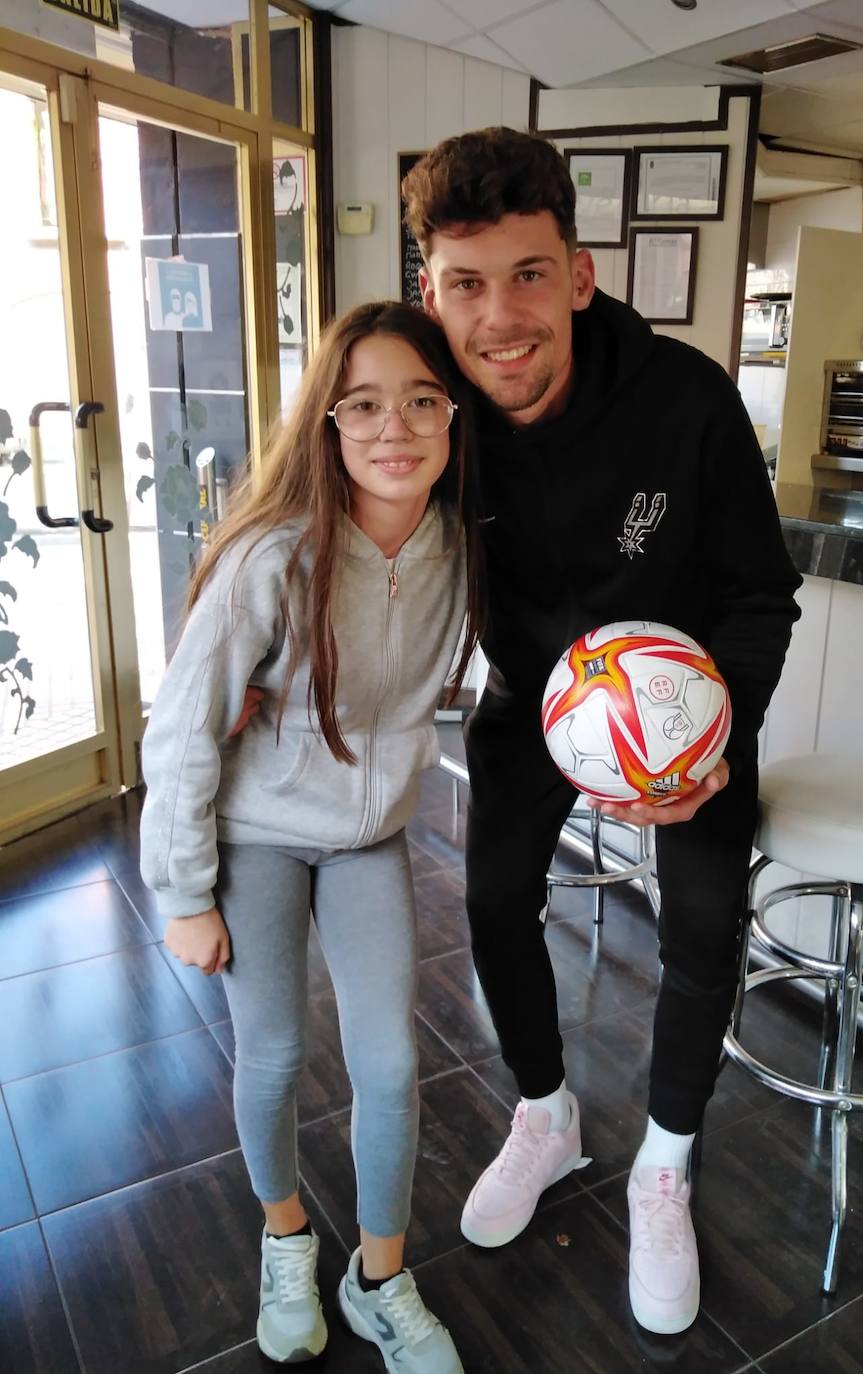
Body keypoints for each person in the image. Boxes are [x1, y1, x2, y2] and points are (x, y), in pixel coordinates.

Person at [401, 128, 803, 1336]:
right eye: (465, 284)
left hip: (683, 712)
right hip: (534, 698)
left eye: (528, 274)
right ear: (431, 292)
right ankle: (546, 1113)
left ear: (578, 274)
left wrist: (713, 742)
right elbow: (335, 521)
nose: (499, 318)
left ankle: (664, 1159)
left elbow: (755, 595)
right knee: (489, 900)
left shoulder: (685, 400)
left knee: (699, 921)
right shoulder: (434, 406)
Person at [139, 300, 481, 1371]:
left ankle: (378, 1278)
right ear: (328, 424)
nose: (395, 427)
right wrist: (184, 892)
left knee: (390, 1066)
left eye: (420, 401)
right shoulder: (272, 557)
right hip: (256, 838)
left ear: (452, 415)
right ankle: (285, 1237)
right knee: (276, 1052)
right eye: (364, 405)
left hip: (370, 838)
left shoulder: (460, 549)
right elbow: (183, 729)